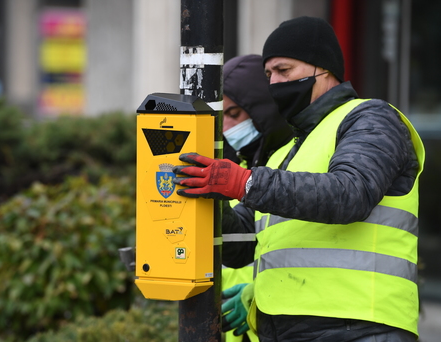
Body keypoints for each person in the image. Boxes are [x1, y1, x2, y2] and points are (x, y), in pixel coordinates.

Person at [173, 16, 425, 342]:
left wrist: (243, 183)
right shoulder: (285, 155)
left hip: (360, 325)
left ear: (325, 68)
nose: (275, 82)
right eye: (268, 74)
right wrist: (210, 196)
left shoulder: (371, 117)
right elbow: (242, 246)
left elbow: (351, 194)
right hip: (285, 328)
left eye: (284, 70)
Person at [220, 54, 292, 342]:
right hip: (237, 328)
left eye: (234, 114)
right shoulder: (231, 168)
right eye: (220, 115)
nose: (226, 127)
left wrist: (255, 293)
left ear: (263, 110)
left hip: (275, 321)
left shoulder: (293, 168)